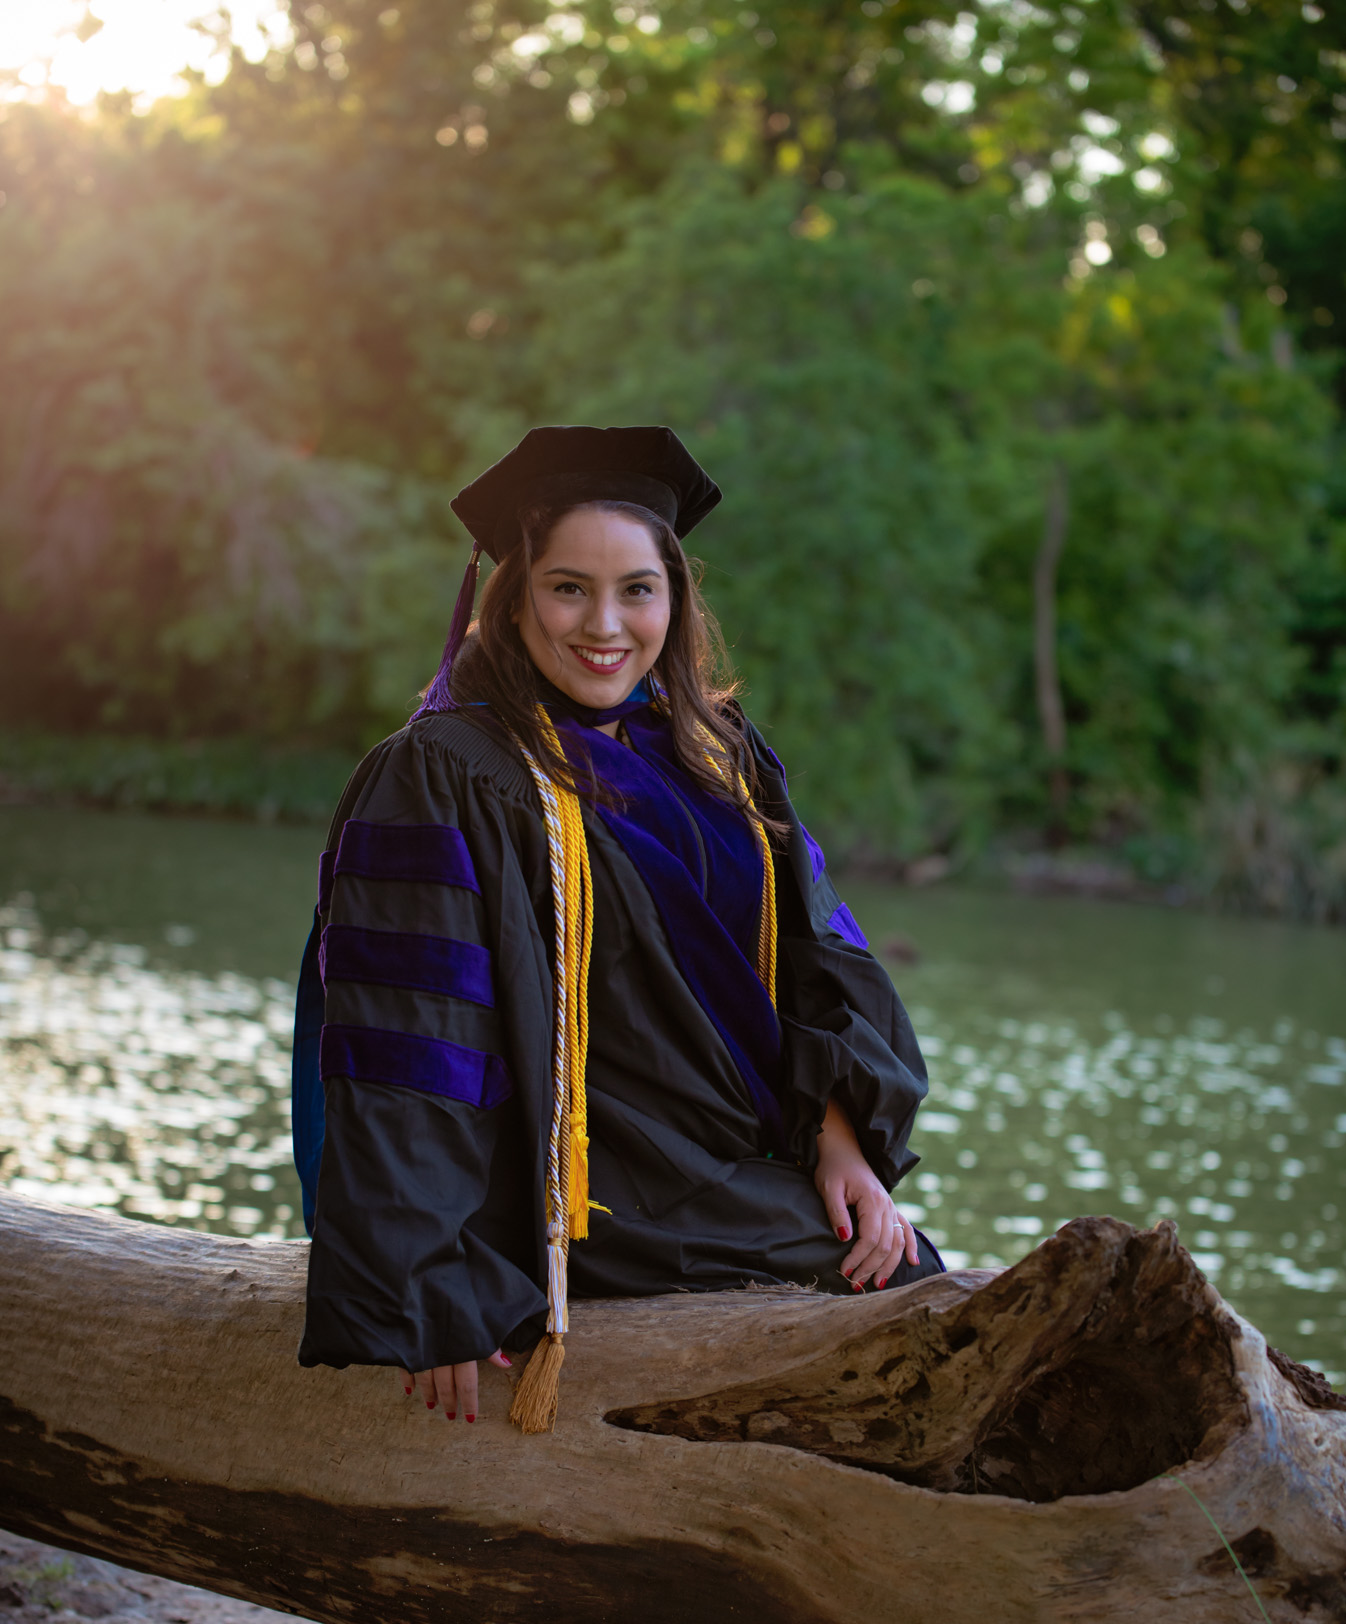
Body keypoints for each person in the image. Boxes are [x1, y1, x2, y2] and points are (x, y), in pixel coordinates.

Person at [293, 424, 941, 1441]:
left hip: (730, 1161)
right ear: (515, 598)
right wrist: (430, 1278)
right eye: (568, 588)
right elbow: (411, 1039)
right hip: (570, 1191)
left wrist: (842, 1140)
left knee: (901, 1269)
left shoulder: (718, 755)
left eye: (637, 589)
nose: (605, 623)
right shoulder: (448, 769)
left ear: (674, 598)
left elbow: (819, 956)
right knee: (903, 1297)